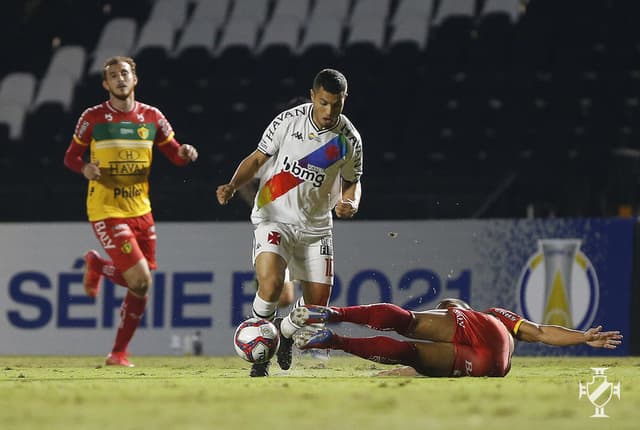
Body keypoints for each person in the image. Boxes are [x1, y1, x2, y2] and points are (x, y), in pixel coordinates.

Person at [217, 69, 363, 377]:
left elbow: (353, 181)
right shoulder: (287, 122)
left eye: (336, 105)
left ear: (344, 101)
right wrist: (232, 185)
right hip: (275, 217)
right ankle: (260, 358)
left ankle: (282, 334)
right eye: (323, 103)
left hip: (316, 229)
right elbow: (257, 159)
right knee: (270, 286)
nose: (328, 111)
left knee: (316, 311)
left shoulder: (349, 139)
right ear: (313, 96)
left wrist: (350, 201)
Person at [63, 56, 198, 367]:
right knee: (139, 280)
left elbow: (174, 154)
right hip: (106, 208)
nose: (120, 79)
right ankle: (97, 267)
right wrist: (84, 168)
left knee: (141, 284)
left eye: (125, 73)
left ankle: (118, 353)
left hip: (141, 208)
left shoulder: (152, 117)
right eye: (113, 75)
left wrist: (184, 152)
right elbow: (71, 157)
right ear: (105, 84)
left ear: (135, 79)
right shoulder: (93, 118)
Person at [291, 298, 623, 377]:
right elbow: (539, 332)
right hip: (493, 362)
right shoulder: (502, 323)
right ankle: (333, 339)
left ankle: (334, 317)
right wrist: (582, 337)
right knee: (411, 354)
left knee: (408, 323)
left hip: (481, 333)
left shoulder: (490, 314)